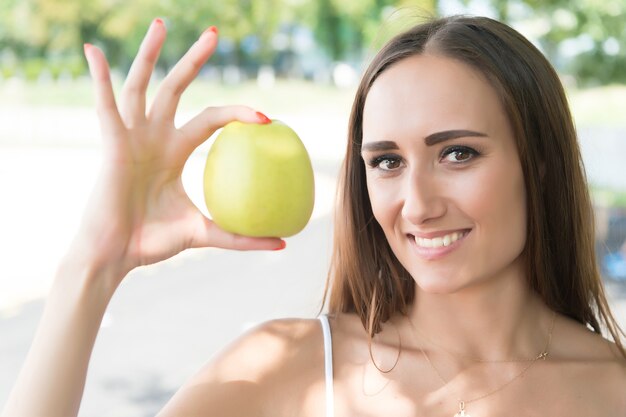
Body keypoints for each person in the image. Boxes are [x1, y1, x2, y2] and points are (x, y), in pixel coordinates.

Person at [2, 14, 625, 417]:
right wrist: (95, 261)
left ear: (538, 164)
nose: (417, 203)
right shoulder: (288, 366)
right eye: (386, 162)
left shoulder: (612, 388)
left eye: (457, 153)